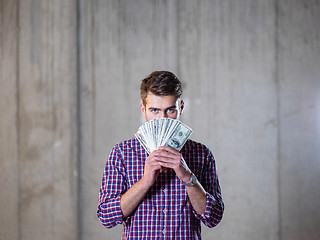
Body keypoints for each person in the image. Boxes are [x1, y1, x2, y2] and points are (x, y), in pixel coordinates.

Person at [97, 71, 224, 239]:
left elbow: (213, 218)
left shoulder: (201, 154)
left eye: (170, 110)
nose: (162, 119)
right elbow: (106, 217)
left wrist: (188, 177)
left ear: (181, 108)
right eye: (155, 110)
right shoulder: (122, 153)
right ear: (143, 110)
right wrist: (144, 183)